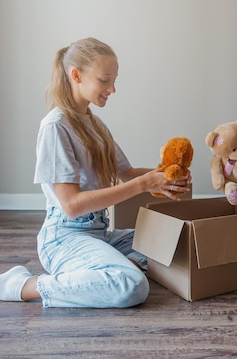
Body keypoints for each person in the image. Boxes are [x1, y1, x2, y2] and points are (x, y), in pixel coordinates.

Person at [0, 37, 191, 307]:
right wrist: (142, 185)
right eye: (104, 80)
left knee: (178, 245)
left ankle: (102, 268)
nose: (112, 88)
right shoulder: (55, 128)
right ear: (76, 75)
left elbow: (129, 173)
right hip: (65, 237)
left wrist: (168, 178)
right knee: (132, 286)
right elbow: (72, 205)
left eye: (114, 80)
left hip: (99, 232)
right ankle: (25, 285)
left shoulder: (95, 125)